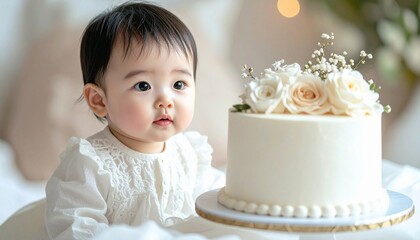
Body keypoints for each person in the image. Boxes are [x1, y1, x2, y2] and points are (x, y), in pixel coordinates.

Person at [45, 1, 223, 239]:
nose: (165, 100)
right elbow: (75, 229)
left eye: (178, 84)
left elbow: (219, 207)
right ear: (99, 100)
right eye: (143, 85)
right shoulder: (90, 165)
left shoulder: (190, 153)